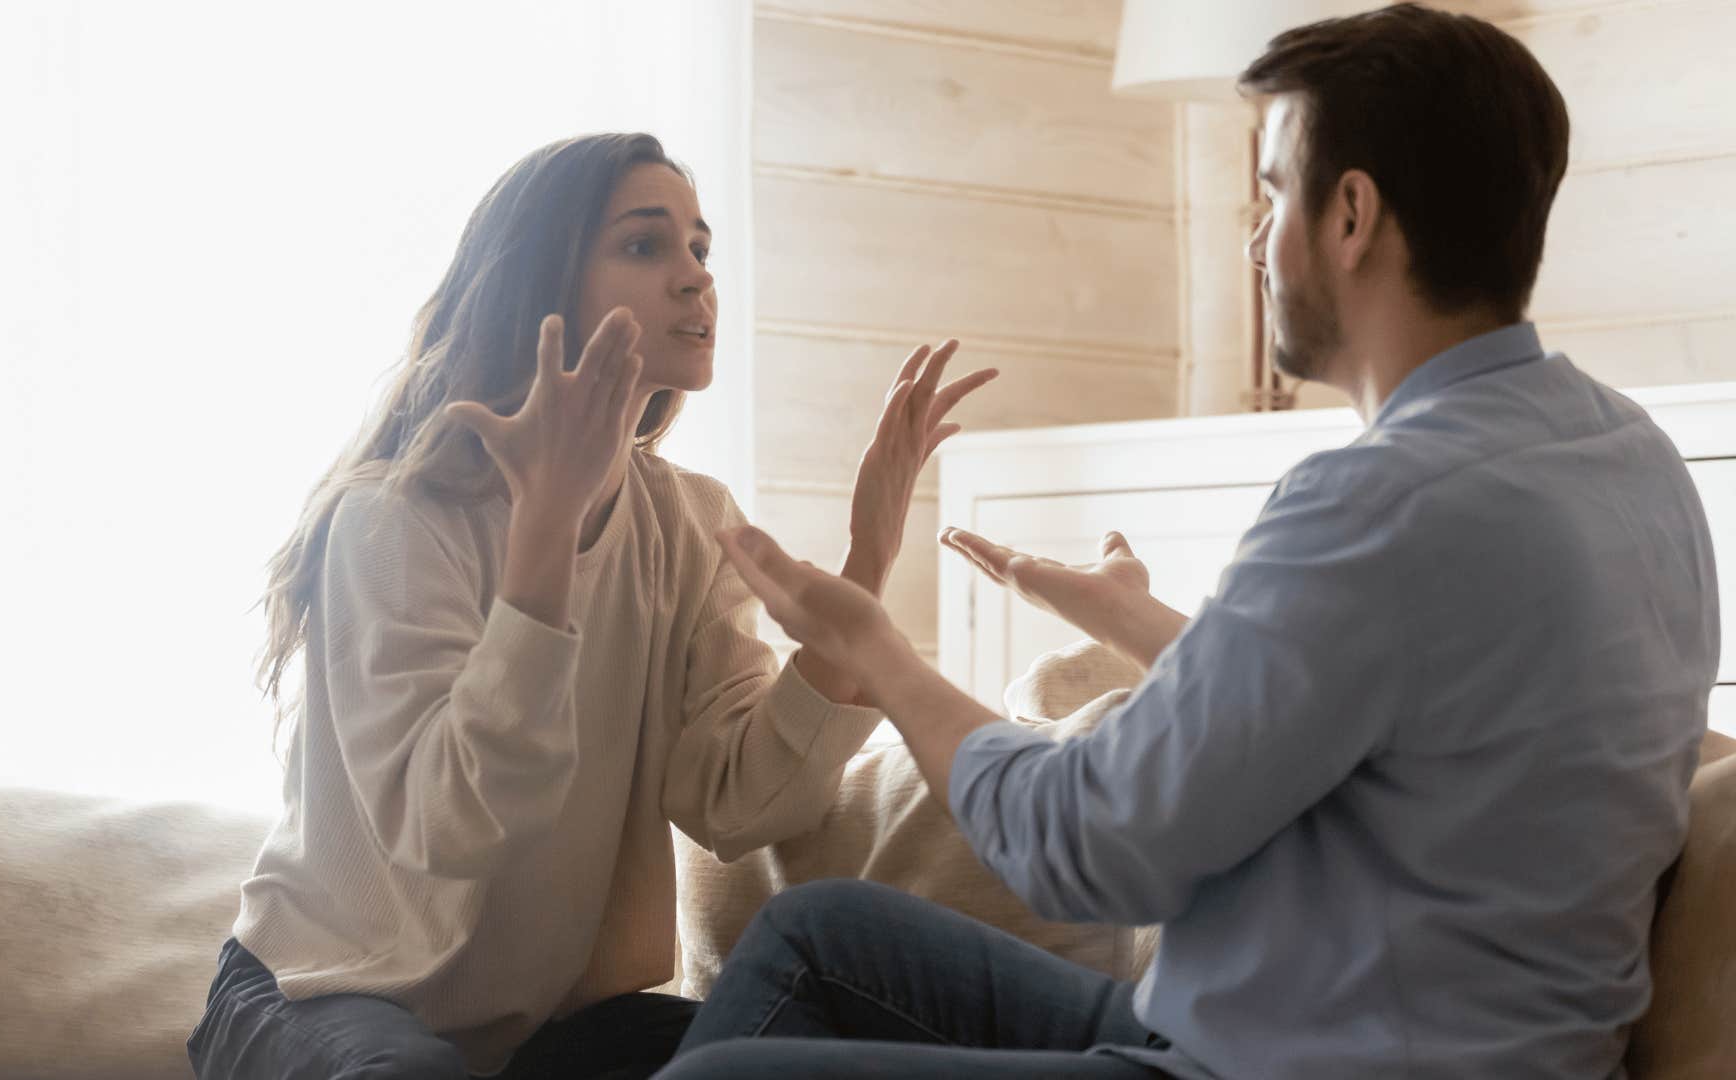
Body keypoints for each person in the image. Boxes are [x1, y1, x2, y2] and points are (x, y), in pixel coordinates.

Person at [662, 6, 1720, 1079]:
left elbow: (1081, 846)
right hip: (1304, 1029)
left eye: (1270, 192)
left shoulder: (1382, 500)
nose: (1258, 239)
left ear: (1351, 213)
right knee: (822, 936)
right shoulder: (1631, 460)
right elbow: (1390, 718)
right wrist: (1136, 620)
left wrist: (881, 655)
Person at [183, 132, 996, 1080]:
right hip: (323, 995)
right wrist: (547, 535)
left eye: (700, 248)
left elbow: (736, 801)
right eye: (647, 246)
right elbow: (455, 828)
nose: (696, 279)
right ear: (542, 285)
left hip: (548, 1036)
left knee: (805, 1050)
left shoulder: (690, 522)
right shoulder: (394, 518)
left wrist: (868, 561)